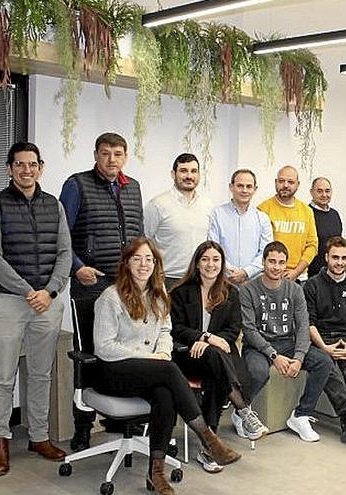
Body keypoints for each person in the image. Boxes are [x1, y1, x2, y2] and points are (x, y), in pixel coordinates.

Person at [93, 238, 240, 494]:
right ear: (126, 263)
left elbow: (165, 330)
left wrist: (161, 352)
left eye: (149, 259)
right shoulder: (111, 297)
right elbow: (104, 347)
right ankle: (209, 439)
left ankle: (155, 474)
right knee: (170, 370)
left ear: (155, 264)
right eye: (137, 258)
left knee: (165, 394)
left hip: (148, 371)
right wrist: (151, 357)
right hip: (113, 371)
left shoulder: (158, 295)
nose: (143, 264)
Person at [0, 142, 71, 475]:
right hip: (9, 301)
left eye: (32, 164)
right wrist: (28, 290)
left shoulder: (54, 206)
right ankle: (1, 440)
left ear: (41, 167)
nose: (26, 170)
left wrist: (49, 291)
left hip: (47, 303)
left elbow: (64, 254)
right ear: (9, 169)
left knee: (40, 373)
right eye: (19, 164)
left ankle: (38, 436)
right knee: (2, 376)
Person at [60, 132, 144, 452]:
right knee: (90, 357)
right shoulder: (77, 184)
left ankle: (125, 421)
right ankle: (83, 426)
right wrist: (77, 267)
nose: (112, 159)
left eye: (118, 154)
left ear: (125, 156)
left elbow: (138, 236)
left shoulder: (132, 187)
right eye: (106, 153)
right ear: (95, 154)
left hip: (127, 288)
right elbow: (61, 235)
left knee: (128, 350)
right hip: (90, 286)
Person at [169, 241, 269, 469]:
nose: (210, 264)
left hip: (218, 357)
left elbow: (234, 329)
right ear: (196, 263)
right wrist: (206, 338)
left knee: (215, 371)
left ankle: (209, 449)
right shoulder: (180, 292)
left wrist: (212, 342)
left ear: (222, 263)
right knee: (216, 358)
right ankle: (243, 411)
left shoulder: (231, 292)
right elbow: (176, 327)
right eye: (205, 259)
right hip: (188, 355)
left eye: (216, 260)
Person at [239, 241, 334, 442]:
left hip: (288, 343)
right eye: (271, 261)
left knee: (323, 362)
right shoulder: (248, 290)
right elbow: (249, 330)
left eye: (281, 262)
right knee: (258, 372)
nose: (276, 267)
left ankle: (300, 415)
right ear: (263, 262)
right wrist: (273, 355)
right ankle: (241, 410)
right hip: (259, 346)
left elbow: (302, 326)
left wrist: (299, 357)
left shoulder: (295, 289)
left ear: (286, 265)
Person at [303, 237, 346, 442]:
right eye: (335, 257)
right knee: (328, 370)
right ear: (326, 257)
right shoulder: (311, 285)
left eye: (344, 258)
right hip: (320, 340)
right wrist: (324, 347)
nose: (339, 262)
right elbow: (308, 322)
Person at [144, 153, 215, 288]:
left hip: (199, 279)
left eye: (194, 171)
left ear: (199, 175)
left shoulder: (208, 205)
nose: (189, 176)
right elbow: (146, 241)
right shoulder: (157, 204)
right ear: (173, 174)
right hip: (166, 280)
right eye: (183, 171)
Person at [208, 169, 273, 285]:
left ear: (255, 189)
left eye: (249, 186)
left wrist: (245, 272)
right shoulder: (217, 214)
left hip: (253, 282)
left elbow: (265, 252)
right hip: (222, 281)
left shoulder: (263, 218)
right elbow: (213, 248)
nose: (244, 190)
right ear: (231, 187)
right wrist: (230, 272)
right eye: (240, 186)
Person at [257, 166, 318, 281]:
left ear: (298, 184)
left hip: (299, 277)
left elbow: (312, 245)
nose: (285, 185)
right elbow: (257, 247)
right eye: (281, 181)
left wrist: (296, 271)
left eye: (290, 182)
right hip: (269, 276)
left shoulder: (307, 211)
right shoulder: (263, 209)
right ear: (275, 182)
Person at [307, 177, 343, 277]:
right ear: (311, 192)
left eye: (327, 191)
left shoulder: (334, 214)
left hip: (333, 272)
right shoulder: (306, 213)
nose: (324, 195)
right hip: (311, 274)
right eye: (319, 191)